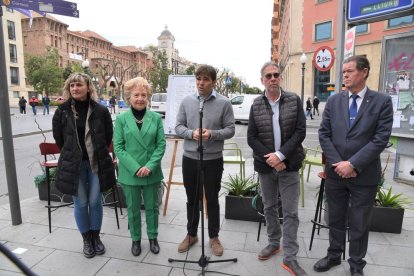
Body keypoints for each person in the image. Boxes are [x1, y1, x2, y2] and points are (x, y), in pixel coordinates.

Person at [314, 55, 393, 276]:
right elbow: (324, 134)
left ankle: (356, 264)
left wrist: (353, 164)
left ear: (364, 71)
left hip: (363, 175)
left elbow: (380, 138)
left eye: (349, 71)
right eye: (343, 72)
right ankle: (333, 255)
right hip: (336, 173)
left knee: (359, 223)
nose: (345, 75)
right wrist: (339, 163)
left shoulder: (382, 101)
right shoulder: (333, 101)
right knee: (335, 218)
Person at [247, 61, 307, 276]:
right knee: (269, 206)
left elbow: (300, 132)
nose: (273, 78)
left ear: (280, 78)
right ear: (262, 80)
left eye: (276, 75)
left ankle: (290, 257)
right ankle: (274, 242)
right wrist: (271, 158)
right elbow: (251, 137)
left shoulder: (293, 100)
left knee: (291, 212)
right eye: (268, 76)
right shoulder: (256, 104)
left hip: (289, 164)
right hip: (266, 166)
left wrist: (281, 156)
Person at [52, 72, 116, 259]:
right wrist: (73, 154)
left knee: (95, 201)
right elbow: (60, 139)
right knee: (80, 202)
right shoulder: (62, 111)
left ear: (88, 87)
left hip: (96, 163)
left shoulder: (100, 110)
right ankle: (86, 240)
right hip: (74, 166)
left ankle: (96, 238)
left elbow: (107, 137)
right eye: (72, 86)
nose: (75, 88)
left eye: (79, 85)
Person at [175, 64, 235, 256]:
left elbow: (231, 129)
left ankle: (214, 236)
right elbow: (178, 126)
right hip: (190, 158)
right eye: (198, 79)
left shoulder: (224, 103)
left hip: (213, 160)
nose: (201, 83)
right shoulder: (186, 101)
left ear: (213, 82)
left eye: (206, 79)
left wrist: (213, 134)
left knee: (212, 200)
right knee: (192, 199)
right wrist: (191, 133)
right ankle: (191, 234)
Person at [113, 77, 166, 257]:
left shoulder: (156, 118)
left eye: (144, 95)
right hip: (130, 173)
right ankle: (135, 240)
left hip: (152, 171)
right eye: (136, 95)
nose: (140, 98)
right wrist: (136, 167)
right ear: (129, 97)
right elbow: (118, 147)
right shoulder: (121, 119)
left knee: (152, 208)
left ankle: (153, 237)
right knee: (133, 209)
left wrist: (150, 166)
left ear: (148, 97)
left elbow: (161, 145)